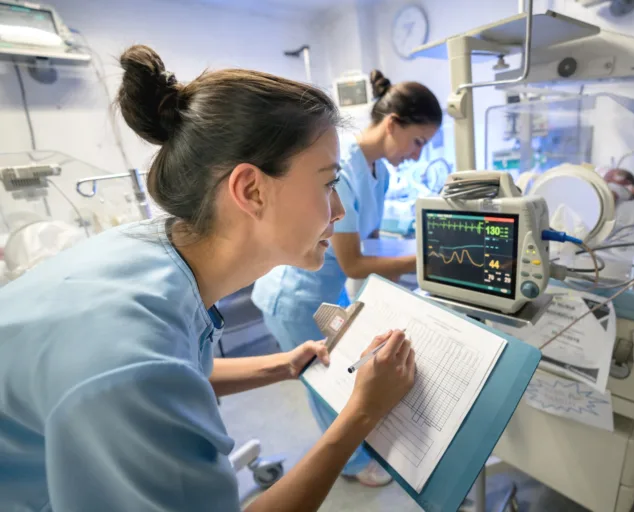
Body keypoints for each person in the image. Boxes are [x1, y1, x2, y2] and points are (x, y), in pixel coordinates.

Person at [0, 45, 416, 512]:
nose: (339, 210)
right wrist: (361, 414)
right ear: (250, 190)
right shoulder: (130, 358)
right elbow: (145, 372)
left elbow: (178, 369)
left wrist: (280, 364)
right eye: (327, 183)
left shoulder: (156, 251)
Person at [252, 69, 442, 486]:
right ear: (392, 124)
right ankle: (354, 466)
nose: (416, 155)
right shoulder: (346, 167)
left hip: (327, 291)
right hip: (297, 296)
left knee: (346, 369)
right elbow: (355, 262)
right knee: (323, 379)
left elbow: (367, 248)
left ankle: (357, 438)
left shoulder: (383, 173)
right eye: (417, 142)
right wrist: (426, 262)